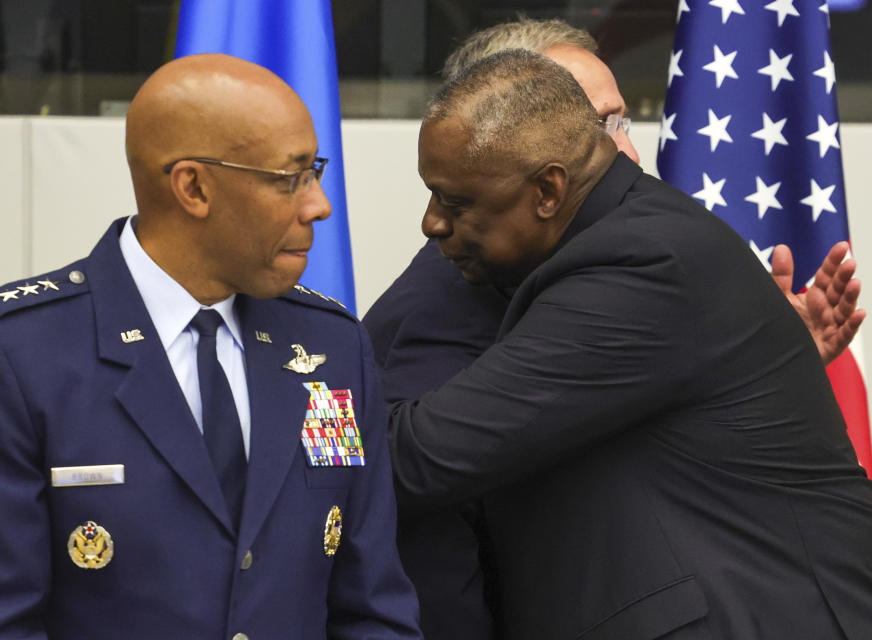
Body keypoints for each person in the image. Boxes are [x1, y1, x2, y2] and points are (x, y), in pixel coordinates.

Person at [363, 18, 863, 640]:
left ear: (549, 187)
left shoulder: (641, 263)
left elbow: (416, 457)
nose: (431, 224)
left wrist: (277, 393)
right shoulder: (629, 234)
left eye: (456, 202)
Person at [0, 54, 422, 640]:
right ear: (193, 187)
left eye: (317, 172)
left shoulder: (329, 343)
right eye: (291, 178)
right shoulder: (17, 353)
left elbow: (373, 608)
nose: (319, 204)